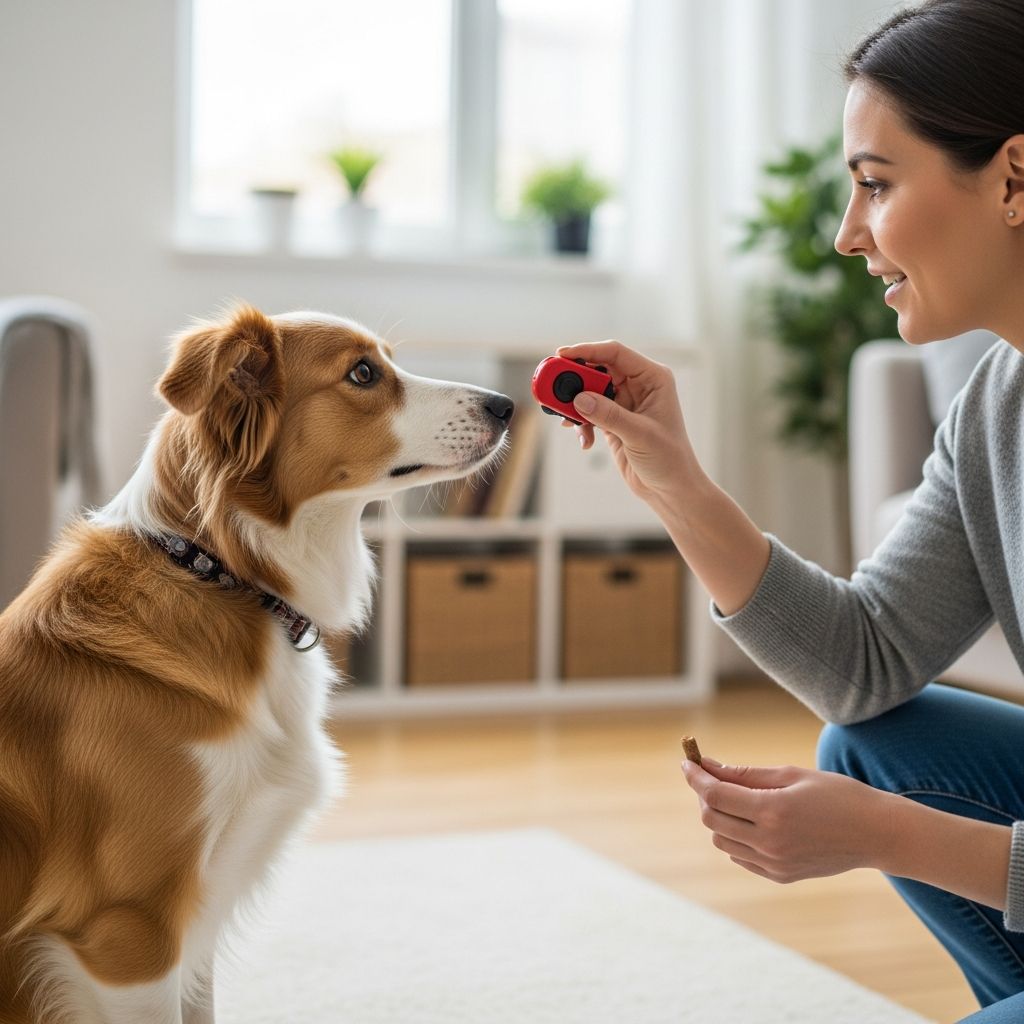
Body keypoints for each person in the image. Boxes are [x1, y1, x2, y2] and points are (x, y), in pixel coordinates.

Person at [556, 1, 1024, 1020]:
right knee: (874, 747)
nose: (847, 234)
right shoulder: (997, 404)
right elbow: (866, 661)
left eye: (876, 184)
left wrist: (888, 834)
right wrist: (679, 483)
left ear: (1013, 179)